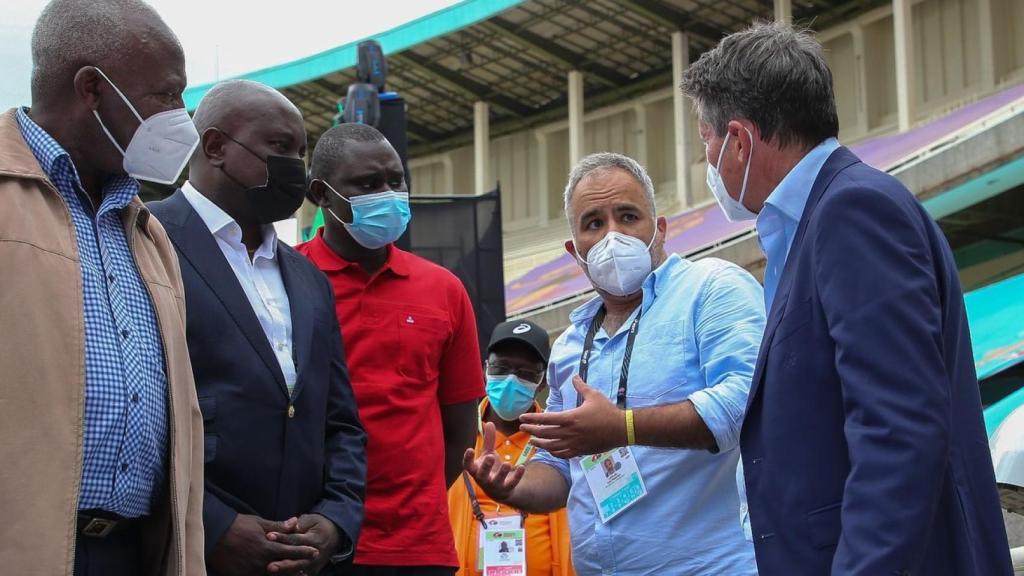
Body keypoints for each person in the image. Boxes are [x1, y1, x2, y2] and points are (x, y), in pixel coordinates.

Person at [679, 22, 1013, 575]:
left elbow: (898, 430)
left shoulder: (852, 213)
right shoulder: (812, 224)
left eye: (706, 143)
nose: (708, 161)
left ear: (739, 139)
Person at [465, 152, 765, 575]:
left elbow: (745, 404)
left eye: (628, 216)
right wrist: (514, 485)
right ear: (575, 251)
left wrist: (621, 427)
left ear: (660, 229)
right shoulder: (570, 346)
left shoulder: (712, 289)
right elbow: (558, 466)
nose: (612, 235)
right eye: (594, 223)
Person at [0, 1, 205, 574]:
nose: (180, 114)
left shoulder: (146, 230)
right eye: (165, 95)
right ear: (92, 88)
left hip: (132, 550)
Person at [147, 80, 367, 576]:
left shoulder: (309, 278)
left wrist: (335, 519)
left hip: (303, 559)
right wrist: (214, 525)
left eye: (301, 151)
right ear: (216, 146)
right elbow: (132, 412)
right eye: (280, 148)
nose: (297, 166)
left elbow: (340, 422)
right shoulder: (144, 239)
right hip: (187, 553)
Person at [299, 123, 482, 576]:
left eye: (395, 181)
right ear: (322, 194)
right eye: (367, 185)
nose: (388, 194)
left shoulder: (445, 289)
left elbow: (460, 426)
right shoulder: (287, 277)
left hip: (418, 549)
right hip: (313, 541)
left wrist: (415, 502)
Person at [447, 319, 575, 576]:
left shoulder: (558, 440)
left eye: (526, 373)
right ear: (485, 368)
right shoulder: (456, 433)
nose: (511, 380)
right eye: (501, 367)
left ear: (542, 383)